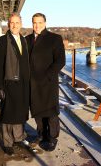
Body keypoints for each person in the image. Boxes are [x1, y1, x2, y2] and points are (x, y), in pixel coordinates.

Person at [26, 13, 65, 151]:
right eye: (34, 23)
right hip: (32, 83)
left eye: (40, 22)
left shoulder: (54, 38)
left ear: (45, 23)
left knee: (50, 112)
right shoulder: (27, 39)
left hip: (48, 82)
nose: (37, 25)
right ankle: (41, 135)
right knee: (37, 111)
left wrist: (48, 75)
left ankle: (52, 137)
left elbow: (60, 61)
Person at [0, 13, 30, 155]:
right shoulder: (2, 41)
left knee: (20, 112)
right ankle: (8, 142)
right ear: (8, 25)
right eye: (12, 23)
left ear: (21, 24)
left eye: (17, 22)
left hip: (23, 83)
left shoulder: (24, 40)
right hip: (8, 82)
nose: (15, 25)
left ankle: (19, 137)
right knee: (8, 113)